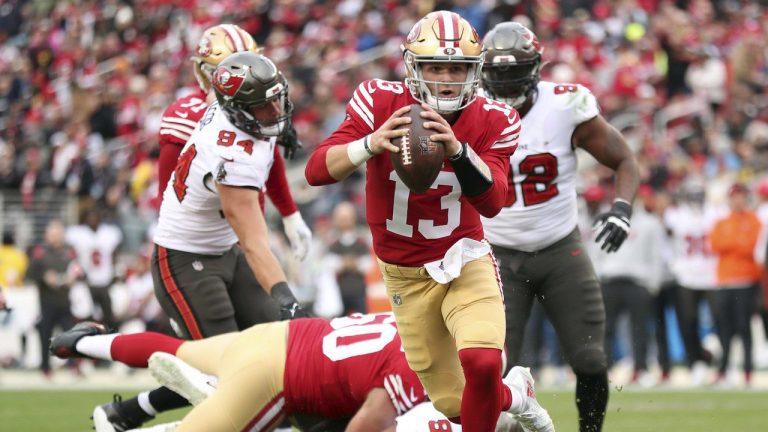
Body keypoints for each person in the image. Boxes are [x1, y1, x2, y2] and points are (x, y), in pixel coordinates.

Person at [305, 11, 553, 432]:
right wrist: (369, 144)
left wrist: (458, 152)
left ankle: (501, 392)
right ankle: (516, 397)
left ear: (474, 73)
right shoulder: (379, 100)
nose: (445, 79)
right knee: (454, 404)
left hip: (464, 258)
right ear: (412, 68)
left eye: (456, 69)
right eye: (435, 67)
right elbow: (315, 171)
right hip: (404, 275)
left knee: (482, 360)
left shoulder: (496, 118)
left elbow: (493, 201)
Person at [92, 51, 308, 431]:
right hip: (186, 259)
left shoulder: (228, 108)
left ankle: (128, 412)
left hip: (224, 250)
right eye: (263, 106)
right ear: (239, 112)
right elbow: (255, 242)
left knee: (280, 355)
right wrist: (288, 299)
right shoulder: (231, 154)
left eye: (278, 99)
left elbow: (220, 91)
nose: (275, 111)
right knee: (235, 378)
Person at [479, 22, 639, 432]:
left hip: (558, 248)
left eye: (514, 72)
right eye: (498, 74)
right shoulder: (470, 107)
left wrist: (621, 207)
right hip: (496, 255)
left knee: (589, 359)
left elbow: (623, 158)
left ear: (535, 69)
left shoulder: (565, 105)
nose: (507, 83)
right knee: (494, 368)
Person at [51, 313, 529, 432]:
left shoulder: (413, 325)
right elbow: (366, 423)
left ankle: (81, 342)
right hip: (275, 381)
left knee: (178, 348)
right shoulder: (419, 371)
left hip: (276, 336)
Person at [157, 24, 311, 262]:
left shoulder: (255, 109)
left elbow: (268, 159)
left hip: (250, 234)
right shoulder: (185, 117)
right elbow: (167, 197)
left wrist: (290, 214)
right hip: (205, 243)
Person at [709, 183, 762, 386]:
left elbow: (753, 246)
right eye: (734, 197)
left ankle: (747, 371)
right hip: (725, 281)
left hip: (747, 281)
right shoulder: (722, 222)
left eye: (740, 196)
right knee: (725, 328)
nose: (737, 200)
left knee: (744, 327)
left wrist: (734, 244)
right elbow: (716, 244)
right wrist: (739, 243)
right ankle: (724, 370)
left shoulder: (754, 220)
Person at [28, 219, 82, 378]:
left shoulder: (69, 251)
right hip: (47, 300)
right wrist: (45, 277)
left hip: (65, 300)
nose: (55, 237)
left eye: (58, 234)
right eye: (53, 234)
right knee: (46, 335)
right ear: (47, 235)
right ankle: (45, 368)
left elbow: (79, 269)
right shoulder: (40, 252)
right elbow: (29, 273)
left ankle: (73, 367)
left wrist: (73, 278)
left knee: (70, 335)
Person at [65, 208, 123, 330]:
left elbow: (114, 255)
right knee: (86, 316)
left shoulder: (109, 233)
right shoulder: (79, 233)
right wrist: (78, 270)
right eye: (90, 217)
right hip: (87, 281)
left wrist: (115, 271)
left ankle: (111, 339)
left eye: (95, 217)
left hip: (105, 280)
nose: (93, 220)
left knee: (109, 316)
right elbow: (72, 254)